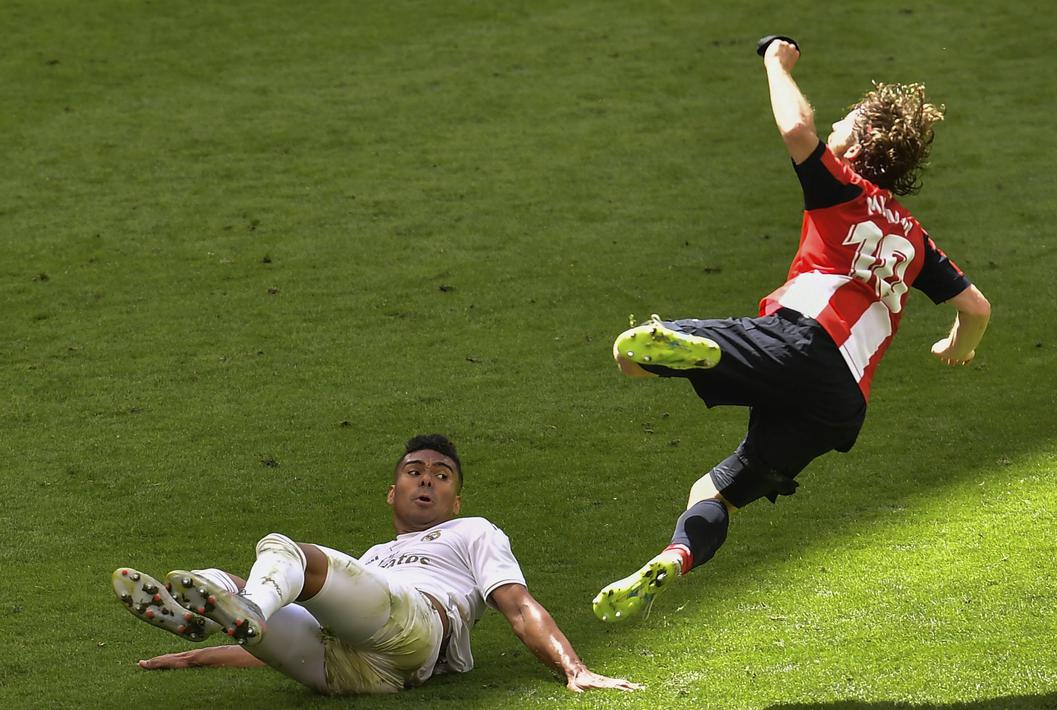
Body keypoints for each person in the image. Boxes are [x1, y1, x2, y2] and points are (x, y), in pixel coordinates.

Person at [592, 38, 991, 622]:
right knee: (714, 493)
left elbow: (796, 129)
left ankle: (706, 354)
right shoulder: (915, 238)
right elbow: (976, 308)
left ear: (856, 145)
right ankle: (675, 556)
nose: (832, 125)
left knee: (630, 358)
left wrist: (777, 62)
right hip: (839, 404)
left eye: (844, 123)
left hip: (801, 341)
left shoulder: (844, 189)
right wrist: (959, 346)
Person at [113, 433, 641, 695]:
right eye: (415, 471)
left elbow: (518, 605)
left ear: (457, 500)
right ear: (393, 493)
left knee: (287, 554)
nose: (428, 479)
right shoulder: (374, 559)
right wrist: (196, 660)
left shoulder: (474, 530)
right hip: (353, 672)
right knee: (234, 583)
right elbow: (281, 636)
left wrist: (575, 670)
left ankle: (220, 603)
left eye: (442, 474)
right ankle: (196, 616)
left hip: (415, 632)